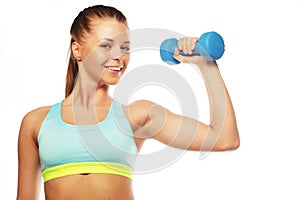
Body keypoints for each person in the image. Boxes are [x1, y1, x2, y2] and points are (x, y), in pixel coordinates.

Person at [16, 4, 240, 200]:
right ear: (77, 50)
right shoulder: (36, 122)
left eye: (125, 48)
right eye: (106, 46)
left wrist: (205, 65)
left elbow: (224, 139)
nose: (119, 56)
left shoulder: (137, 116)